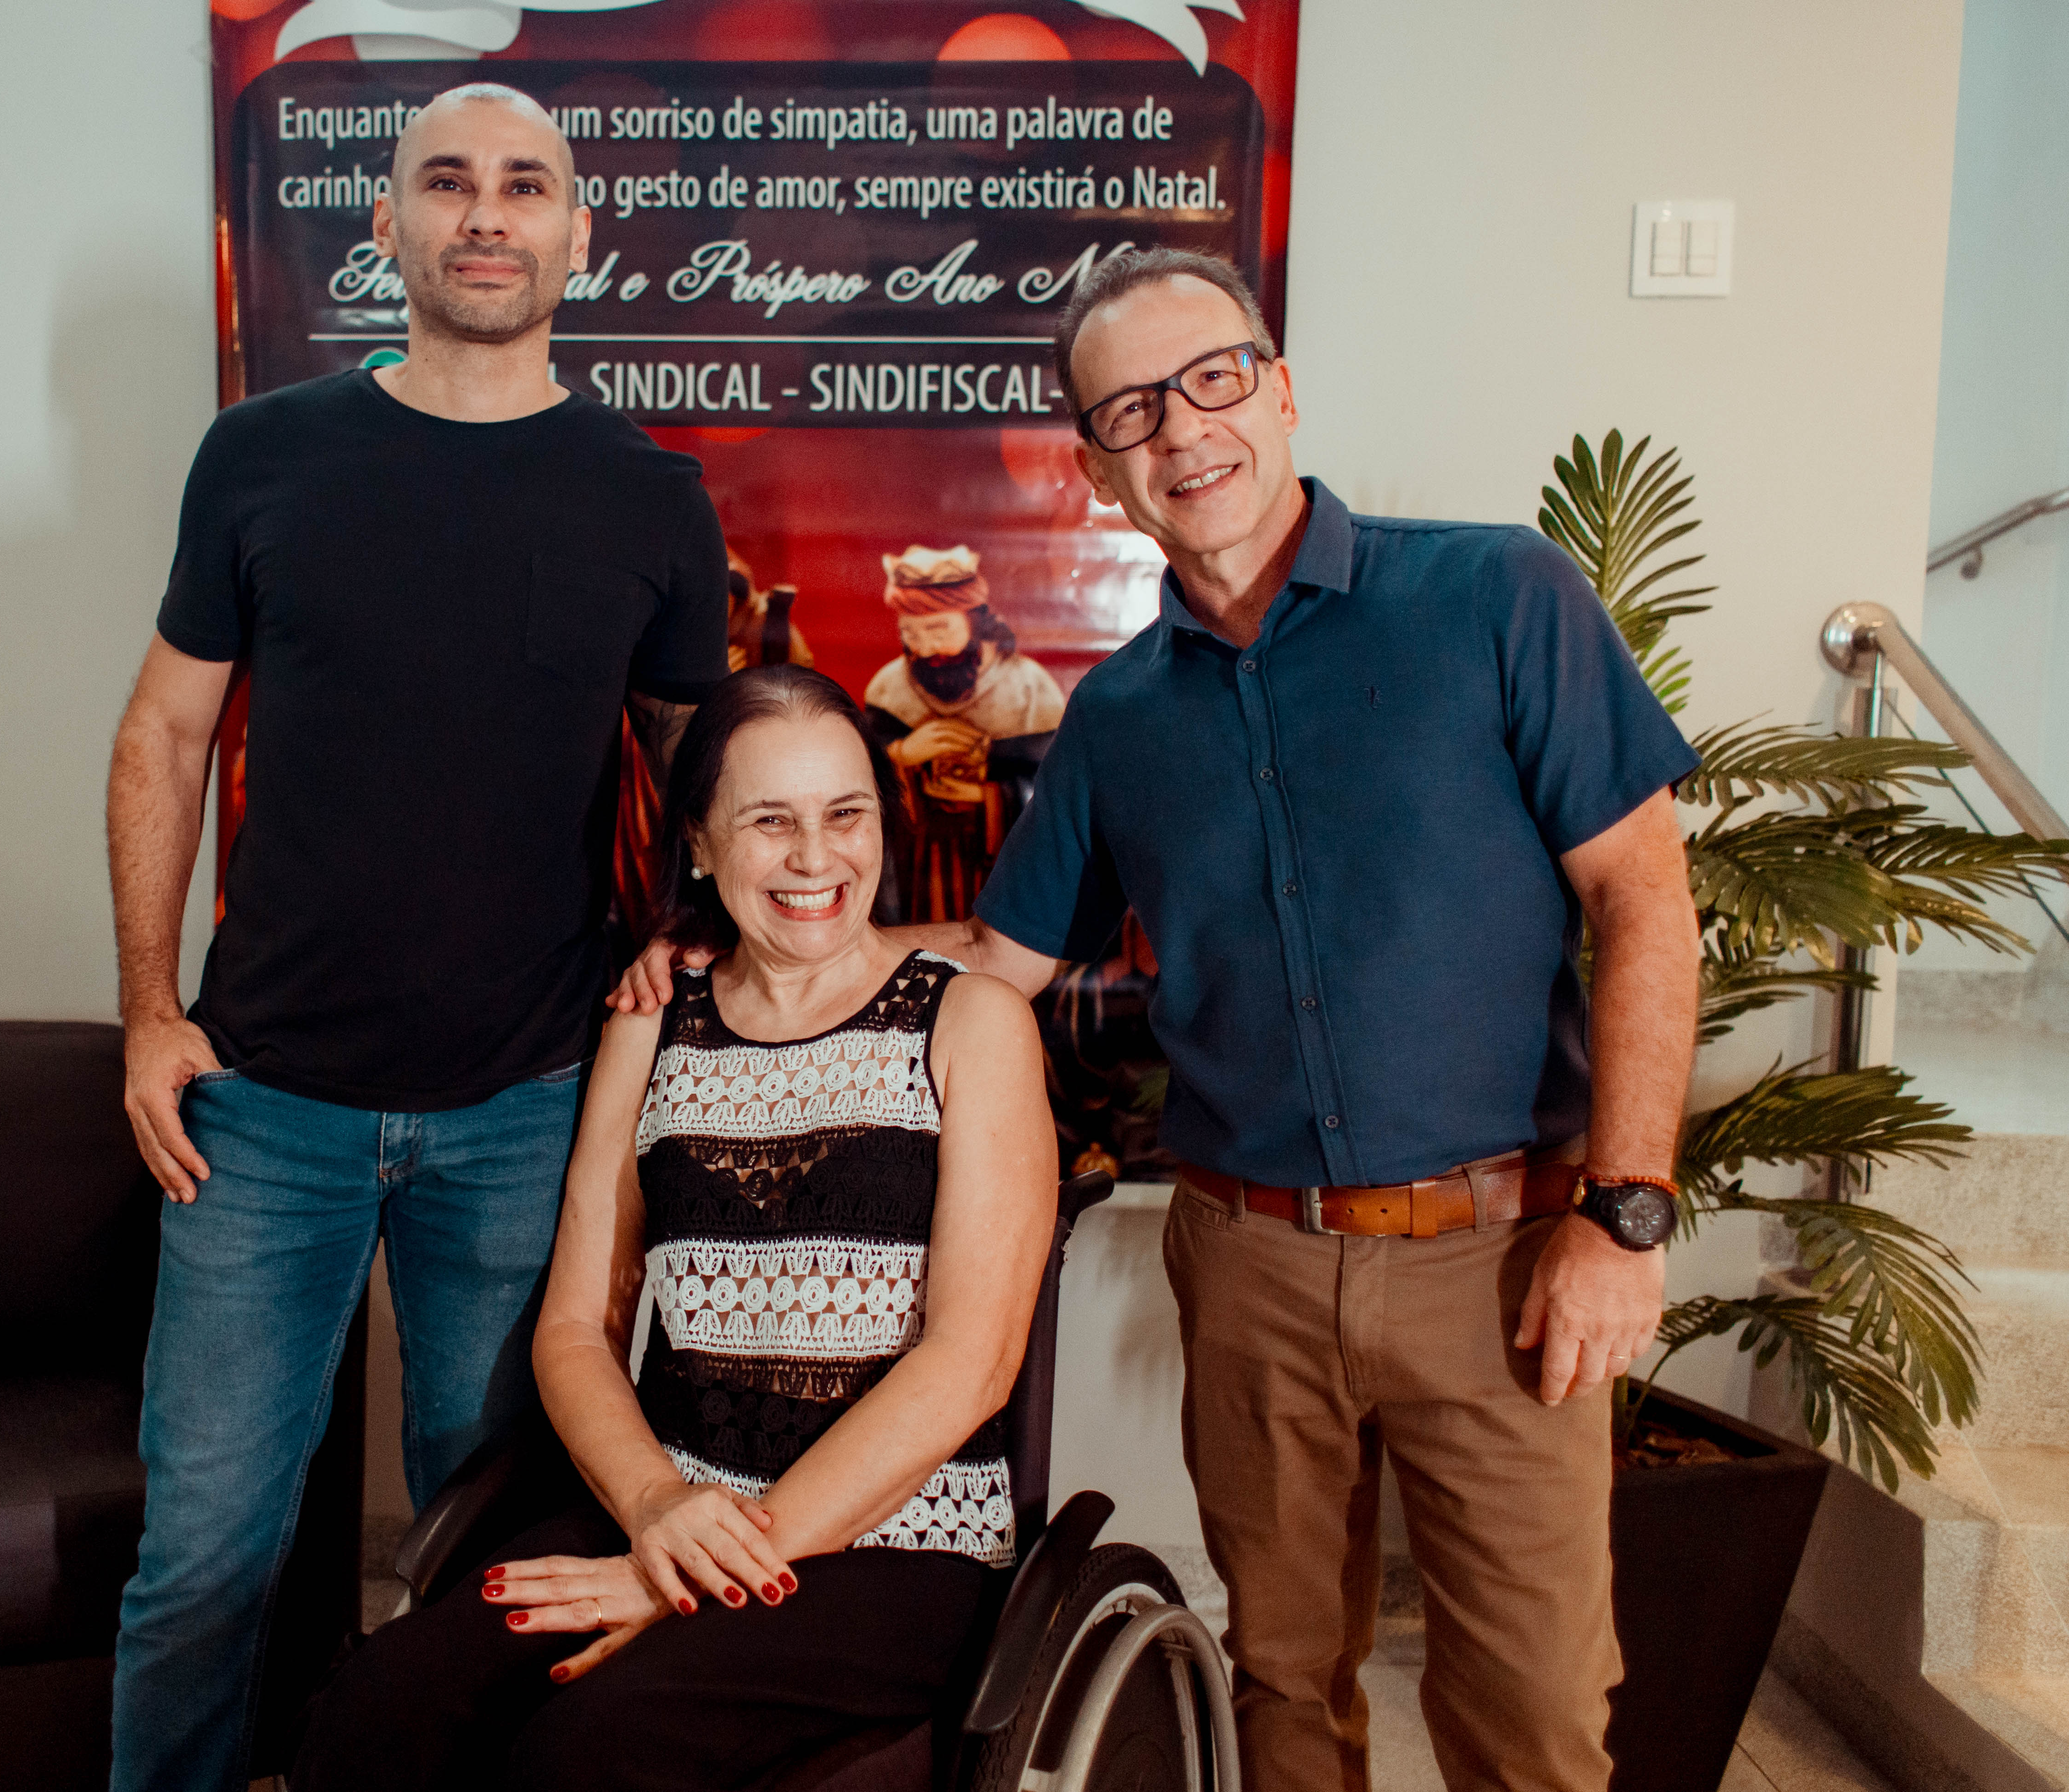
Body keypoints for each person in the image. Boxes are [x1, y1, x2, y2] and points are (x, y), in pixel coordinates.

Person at [620, 249, 1704, 1792]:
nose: (1184, 427)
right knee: (1282, 1679)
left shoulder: (1494, 596)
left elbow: (1647, 902)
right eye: (1131, 409)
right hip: (1251, 1262)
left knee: (1531, 1709)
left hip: (1505, 1253)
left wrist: (1626, 1211)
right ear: (1096, 468)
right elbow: (995, 956)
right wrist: (733, 940)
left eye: (1213, 378)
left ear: (1280, 388)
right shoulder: (1118, 714)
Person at [101, 82, 727, 1790]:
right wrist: (149, 1008)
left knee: (487, 1557)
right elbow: (164, 732)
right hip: (261, 1107)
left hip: (525, 1109)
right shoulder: (261, 455)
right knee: (203, 1564)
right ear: (384, 224)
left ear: (577, 234)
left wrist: (682, 937)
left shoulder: (650, 498)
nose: (485, 213)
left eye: (525, 185)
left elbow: (704, 766)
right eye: (446, 181)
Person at [293, 665, 1058, 1791]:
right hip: (672, 1497)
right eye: (770, 822)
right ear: (699, 841)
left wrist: (714, 1559)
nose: (816, 857)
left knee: (587, 1750)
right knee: (374, 1710)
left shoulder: (971, 1021)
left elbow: (972, 1362)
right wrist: (658, 1510)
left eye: (845, 815)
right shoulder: (652, 1023)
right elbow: (576, 1329)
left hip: (898, 1541)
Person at [860, 545, 1066, 921]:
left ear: (976, 624)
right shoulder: (890, 688)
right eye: (910, 633)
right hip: (918, 874)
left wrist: (988, 797)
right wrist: (901, 754)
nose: (925, 649)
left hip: (999, 872)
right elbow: (859, 779)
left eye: (938, 630)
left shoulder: (1028, 690)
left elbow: (1060, 792)